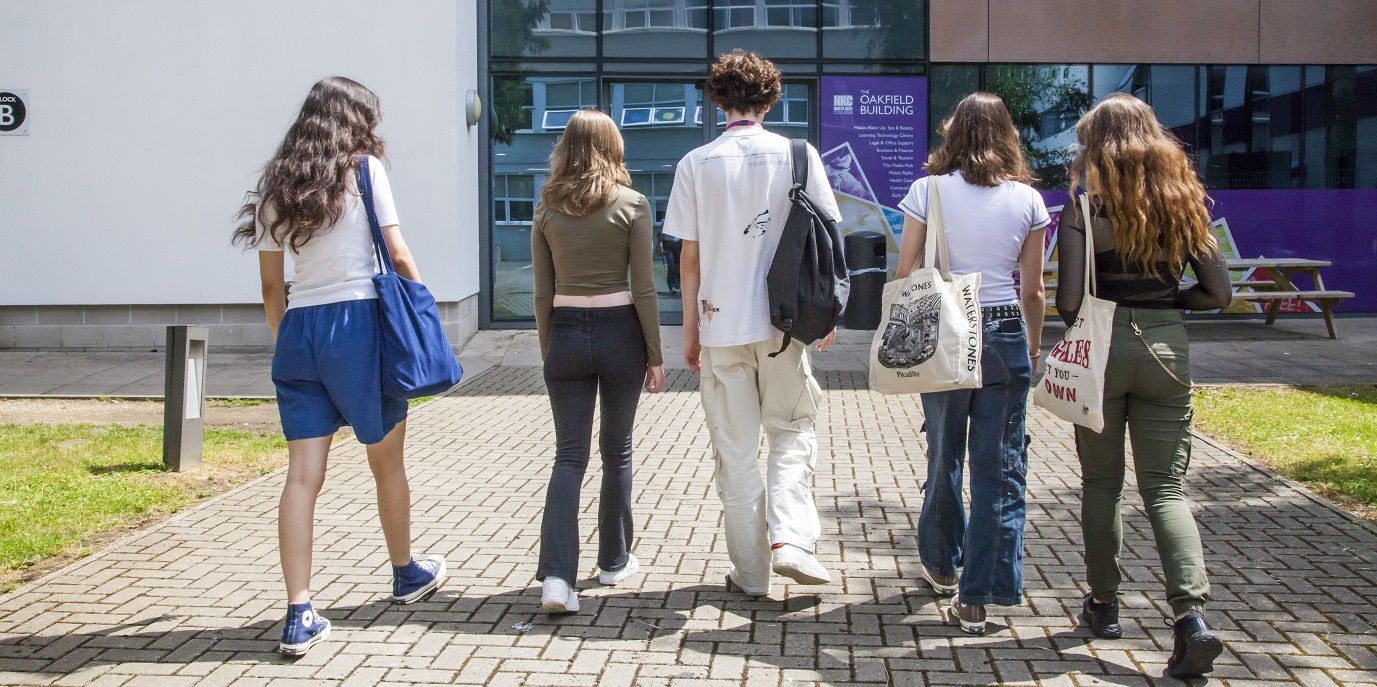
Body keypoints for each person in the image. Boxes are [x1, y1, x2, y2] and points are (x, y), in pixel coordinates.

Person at [232, 76, 445, 657]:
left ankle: (299, 610)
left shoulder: (276, 187)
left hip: (301, 329)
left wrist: (293, 345)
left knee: (302, 476)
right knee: (387, 463)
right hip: (359, 325)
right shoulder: (364, 171)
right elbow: (397, 254)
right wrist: (423, 316)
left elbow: (272, 289)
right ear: (353, 120)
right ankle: (406, 573)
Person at [1058, 93, 1231, 679]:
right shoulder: (1185, 202)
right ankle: (1191, 621)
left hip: (1101, 348)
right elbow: (1218, 294)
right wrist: (1164, 303)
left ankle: (1103, 607)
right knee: (1166, 490)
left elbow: (1068, 302)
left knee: (1101, 485)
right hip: (1165, 348)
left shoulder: (1083, 207)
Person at [662, 50, 841, 598]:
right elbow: (828, 238)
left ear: (718, 99)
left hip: (721, 329)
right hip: (785, 327)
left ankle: (751, 575)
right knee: (791, 431)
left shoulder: (696, 163)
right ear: (770, 99)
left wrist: (690, 330)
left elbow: (687, 259)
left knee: (735, 454)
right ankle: (790, 538)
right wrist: (825, 315)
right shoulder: (799, 154)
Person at [895, 92, 1049, 635]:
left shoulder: (927, 191)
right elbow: (1033, 291)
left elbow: (905, 269)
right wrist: (1031, 347)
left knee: (943, 453)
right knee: (999, 467)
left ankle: (940, 562)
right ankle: (978, 597)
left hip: (945, 331)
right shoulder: (1028, 201)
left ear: (953, 132)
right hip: (1006, 330)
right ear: (1008, 134)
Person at [531, 109, 666, 613]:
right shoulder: (632, 204)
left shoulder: (546, 209)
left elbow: (542, 294)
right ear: (613, 147)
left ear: (565, 148)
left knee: (569, 456)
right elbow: (644, 287)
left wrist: (551, 350)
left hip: (565, 332)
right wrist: (655, 355)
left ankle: (557, 580)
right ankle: (613, 561)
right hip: (619, 334)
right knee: (618, 450)